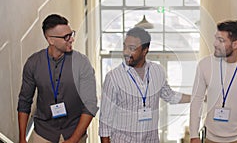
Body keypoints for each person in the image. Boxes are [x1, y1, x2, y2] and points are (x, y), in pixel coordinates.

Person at [99, 27, 191, 143]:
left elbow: (170, 96)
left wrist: (198, 97)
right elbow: (105, 121)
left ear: (145, 50)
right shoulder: (113, 78)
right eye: (125, 47)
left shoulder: (157, 71)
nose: (126, 52)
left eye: (132, 48)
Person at [17, 14, 99, 143]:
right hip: (43, 134)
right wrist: (22, 138)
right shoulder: (33, 63)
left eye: (71, 34)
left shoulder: (82, 63)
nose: (71, 39)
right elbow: (24, 102)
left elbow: (90, 104)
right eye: (66, 37)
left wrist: (74, 140)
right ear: (51, 40)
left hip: (75, 133)